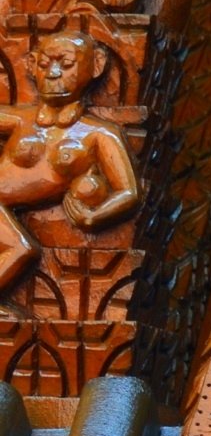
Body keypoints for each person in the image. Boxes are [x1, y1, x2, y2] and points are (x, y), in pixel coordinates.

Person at [0, 28, 139, 296]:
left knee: (22, 249)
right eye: (44, 64)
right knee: (20, 248)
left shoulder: (98, 134)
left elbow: (128, 191)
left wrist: (94, 215)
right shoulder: (21, 119)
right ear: (32, 65)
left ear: (96, 65)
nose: (53, 74)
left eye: (66, 65)